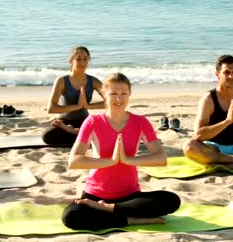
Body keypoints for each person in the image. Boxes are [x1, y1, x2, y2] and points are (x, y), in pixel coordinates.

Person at [62, 73, 181, 230]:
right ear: (105, 95)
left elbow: (161, 158)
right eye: (113, 94)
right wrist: (110, 161)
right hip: (95, 195)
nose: (119, 99)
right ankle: (130, 220)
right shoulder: (93, 122)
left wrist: (128, 160)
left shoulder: (140, 122)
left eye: (124, 93)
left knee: (172, 200)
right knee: (70, 217)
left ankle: (109, 209)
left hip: (129, 196)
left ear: (129, 94)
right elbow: (74, 161)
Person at [42, 46, 105, 145]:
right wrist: (78, 106)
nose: (82, 62)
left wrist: (88, 106)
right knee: (47, 136)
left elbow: (111, 101)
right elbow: (51, 108)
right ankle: (77, 133)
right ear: (71, 61)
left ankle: (73, 131)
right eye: (78, 59)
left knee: (103, 131)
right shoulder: (61, 81)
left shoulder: (93, 81)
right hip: (64, 122)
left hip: (84, 121)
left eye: (85, 59)